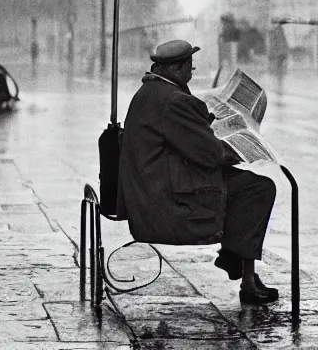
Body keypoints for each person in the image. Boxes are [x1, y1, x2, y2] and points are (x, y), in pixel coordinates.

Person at [117, 39, 278, 305]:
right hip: (166, 201)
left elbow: (183, 138)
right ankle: (245, 276)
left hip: (151, 188)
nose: (192, 72)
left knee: (247, 184)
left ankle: (235, 260)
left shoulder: (151, 92)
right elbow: (210, 154)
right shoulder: (174, 101)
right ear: (176, 69)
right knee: (258, 188)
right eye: (189, 67)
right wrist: (234, 149)